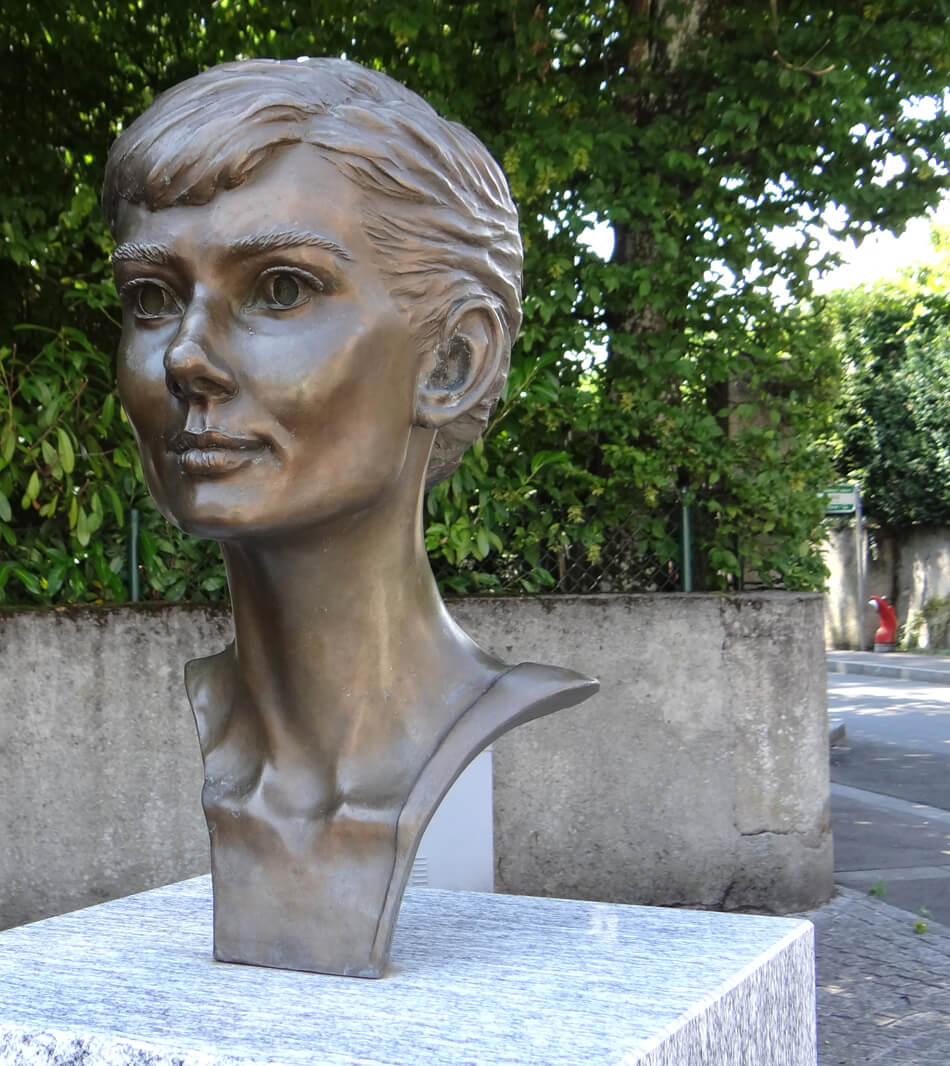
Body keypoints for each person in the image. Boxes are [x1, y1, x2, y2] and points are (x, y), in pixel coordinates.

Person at [102, 57, 596, 979]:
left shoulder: (459, 734)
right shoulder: (220, 734)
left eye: (281, 288)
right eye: (153, 299)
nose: (186, 360)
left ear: (454, 361)